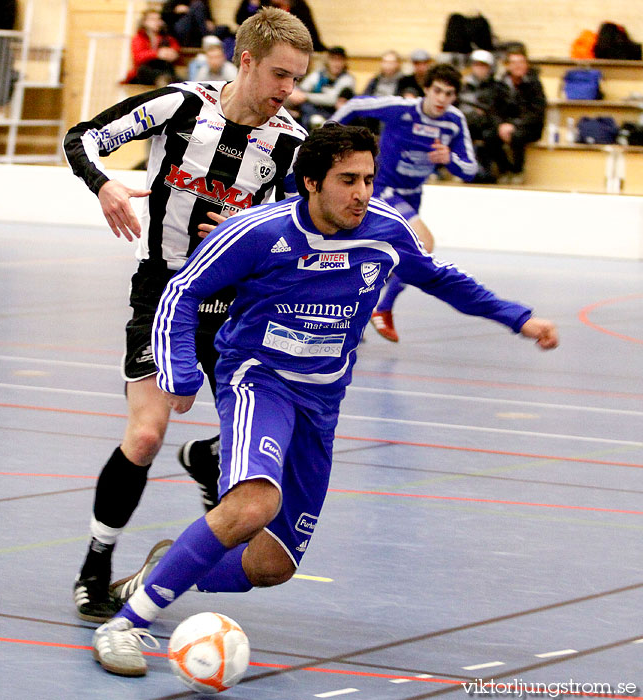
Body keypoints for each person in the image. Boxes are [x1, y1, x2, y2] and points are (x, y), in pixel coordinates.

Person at [90, 122, 558, 677]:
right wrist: (182, 372)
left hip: (322, 402)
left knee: (271, 565)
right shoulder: (257, 233)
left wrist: (519, 318)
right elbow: (180, 292)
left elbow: (444, 280)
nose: (361, 192)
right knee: (254, 504)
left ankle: (164, 569)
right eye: (347, 180)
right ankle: (123, 625)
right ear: (311, 182)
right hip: (258, 380)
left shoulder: (385, 232)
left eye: (368, 178)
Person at [63, 7, 313, 623]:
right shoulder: (180, 107)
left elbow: (300, 233)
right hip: (164, 290)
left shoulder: (291, 144)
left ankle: (208, 457)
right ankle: (96, 565)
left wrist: (246, 229)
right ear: (245, 60)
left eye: (297, 78)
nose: (288, 91)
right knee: (146, 435)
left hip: (239, 305)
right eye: (279, 74)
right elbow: (84, 138)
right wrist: (105, 185)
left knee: (254, 448)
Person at [331, 63, 477, 342]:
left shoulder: (454, 121)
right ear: (426, 89)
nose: (441, 99)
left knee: (386, 259)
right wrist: (328, 131)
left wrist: (450, 160)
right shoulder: (401, 108)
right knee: (424, 245)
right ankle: (382, 309)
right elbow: (355, 106)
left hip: (413, 193)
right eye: (437, 91)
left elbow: (469, 170)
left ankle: (349, 313)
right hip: (383, 188)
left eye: (448, 94)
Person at [488, 47, 546, 184]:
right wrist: (501, 125)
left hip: (528, 126)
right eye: (514, 62)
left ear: (526, 64)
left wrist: (514, 125)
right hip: (505, 125)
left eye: (521, 62)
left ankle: (518, 171)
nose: (518, 66)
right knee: (489, 135)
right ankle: (504, 170)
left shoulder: (534, 84)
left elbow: (537, 112)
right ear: (507, 65)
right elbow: (493, 110)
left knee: (517, 136)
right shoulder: (499, 84)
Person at [459, 49, 513, 184]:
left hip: (490, 126)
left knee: (490, 136)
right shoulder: (463, 87)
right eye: (477, 65)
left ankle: (500, 169)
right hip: (469, 124)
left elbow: (503, 110)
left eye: (483, 66)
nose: (479, 69)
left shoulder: (498, 88)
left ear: (490, 68)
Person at [287, 46, 356, 129]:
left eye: (340, 60)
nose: (336, 63)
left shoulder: (347, 79)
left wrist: (306, 97)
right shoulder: (318, 75)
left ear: (344, 62)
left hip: (331, 115)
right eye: (333, 59)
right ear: (328, 61)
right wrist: (296, 94)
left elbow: (333, 100)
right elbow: (301, 89)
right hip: (310, 111)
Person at [125, 9, 180, 87]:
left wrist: (172, 53)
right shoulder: (139, 37)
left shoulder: (166, 38)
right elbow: (138, 57)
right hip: (145, 70)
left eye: (158, 19)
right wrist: (157, 54)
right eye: (152, 19)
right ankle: (162, 80)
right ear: (144, 22)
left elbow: (175, 48)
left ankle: (165, 80)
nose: (156, 22)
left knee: (169, 71)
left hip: (162, 68)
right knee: (143, 70)